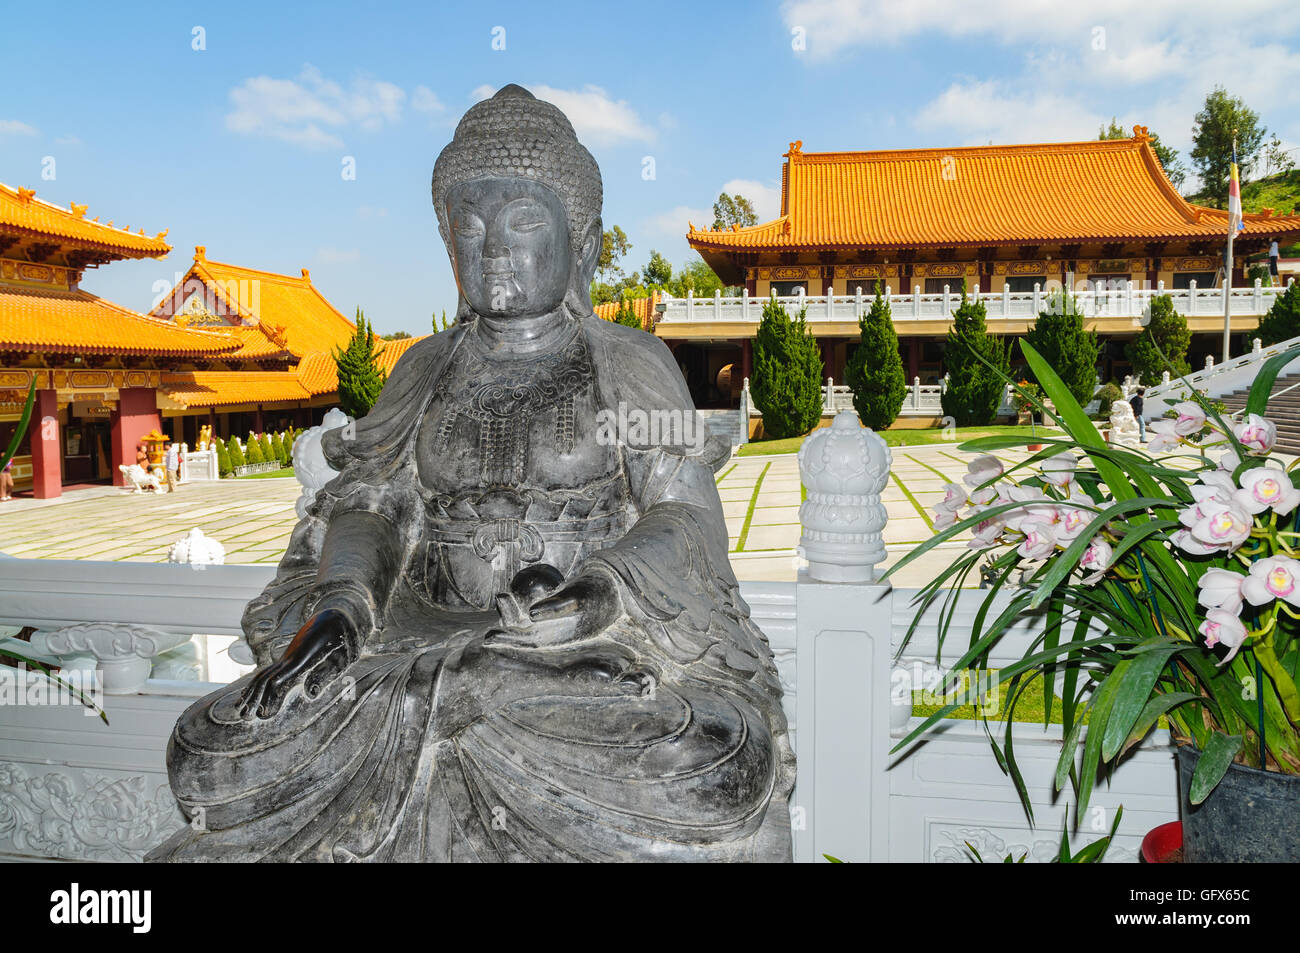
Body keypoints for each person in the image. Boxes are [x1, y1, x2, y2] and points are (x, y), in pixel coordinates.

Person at [150, 85, 793, 864]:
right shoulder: (423, 368)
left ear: (581, 243)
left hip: (568, 659)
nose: (493, 248)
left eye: (523, 221)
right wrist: (340, 615)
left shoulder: (624, 362)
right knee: (207, 748)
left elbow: (682, 515)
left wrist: (598, 594)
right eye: (470, 226)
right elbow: (373, 506)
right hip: (408, 649)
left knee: (710, 761)